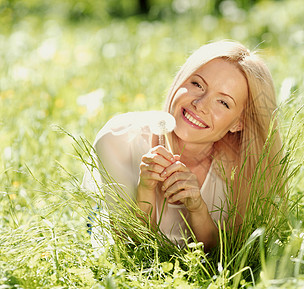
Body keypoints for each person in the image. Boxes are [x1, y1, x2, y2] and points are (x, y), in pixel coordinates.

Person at [86, 40, 282, 251]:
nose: (200, 105)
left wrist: (197, 208)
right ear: (180, 81)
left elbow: (224, 257)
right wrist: (145, 189)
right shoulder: (118, 140)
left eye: (223, 102)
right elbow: (131, 248)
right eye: (197, 84)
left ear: (239, 122)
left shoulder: (241, 168)